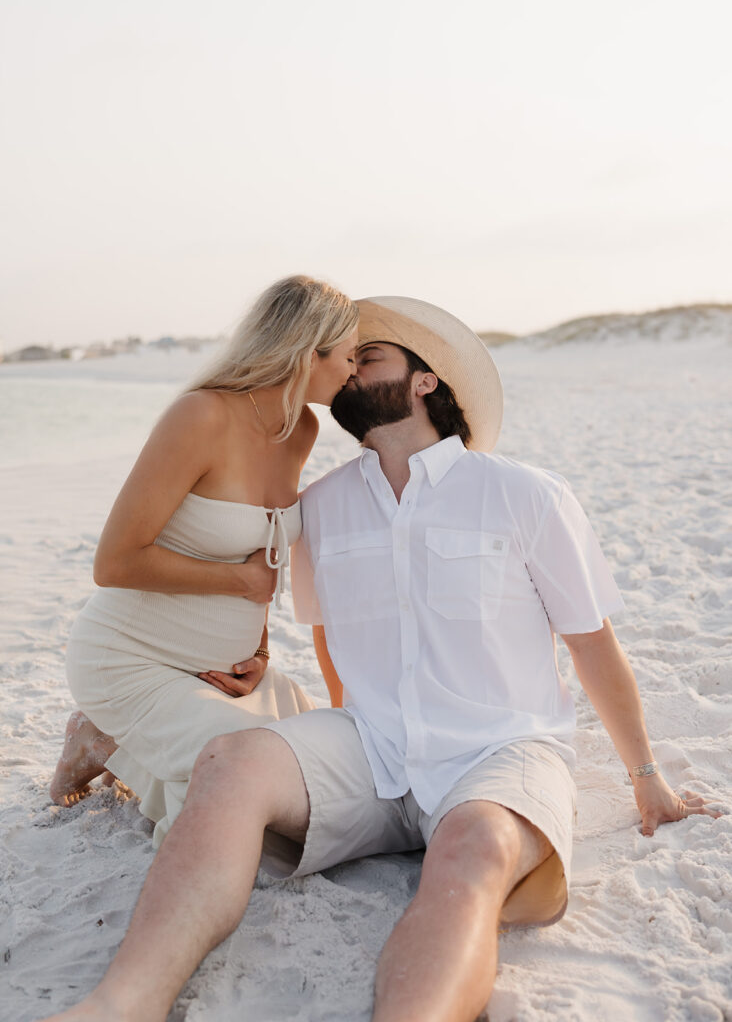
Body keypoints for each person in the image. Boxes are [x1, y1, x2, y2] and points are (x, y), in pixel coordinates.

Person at [45, 296, 720, 1022]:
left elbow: (593, 646)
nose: (344, 370)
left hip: (499, 750)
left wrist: (646, 779)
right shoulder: (325, 505)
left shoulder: (526, 496)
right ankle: (121, 1004)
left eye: (368, 358)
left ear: (425, 382)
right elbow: (321, 629)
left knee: (472, 847)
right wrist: (267, 668)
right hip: (371, 746)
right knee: (231, 763)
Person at [49, 275, 359, 848]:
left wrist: (259, 651)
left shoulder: (303, 429)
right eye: (348, 355)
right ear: (307, 352)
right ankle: (99, 741)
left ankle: (122, 744)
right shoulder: (201, 416)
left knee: (319, 775)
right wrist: (237, 580)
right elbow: (114, 562)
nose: (354, 370)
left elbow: (262, 545)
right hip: (131, 659)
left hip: (222, 675)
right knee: (257, 804)